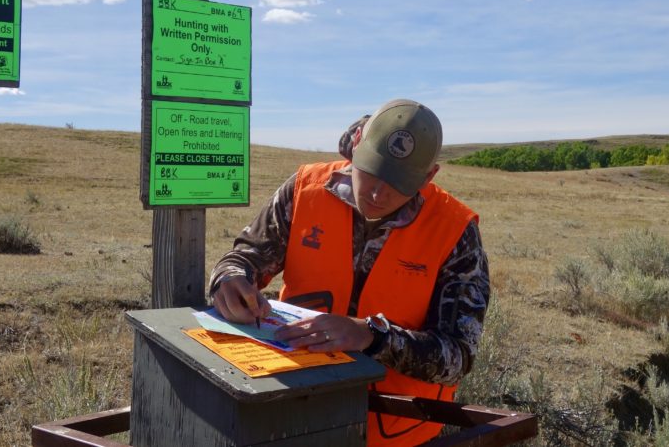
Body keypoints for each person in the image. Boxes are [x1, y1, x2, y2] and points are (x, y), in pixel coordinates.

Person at [208, 99, 490, 447]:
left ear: (429, 177)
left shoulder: (454, 232)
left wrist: (375, 338)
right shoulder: (304, 188)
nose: (376, 192)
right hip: (291, 413)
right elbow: (245, 257)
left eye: (398, 184)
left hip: (395, 430)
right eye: (371, 171)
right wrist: (230, 278)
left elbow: (458, 357)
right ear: (356, 144)